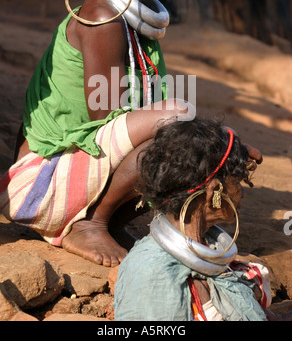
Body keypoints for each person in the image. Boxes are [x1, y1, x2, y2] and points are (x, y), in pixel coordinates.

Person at [0, 0, 260, 268]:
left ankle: (104, 221)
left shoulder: (136, 20)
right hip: (38, 186)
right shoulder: (104, 17)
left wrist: (224, 141)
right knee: (180, 118)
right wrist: (211, 135)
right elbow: (108, 118)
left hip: (78, 171)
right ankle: (90, 222)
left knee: (190, 134)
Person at [114, 117, 292, 321]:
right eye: (237, 183)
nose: (242, 193)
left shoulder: (210, 249)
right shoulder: (152, 275)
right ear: (214, 191)